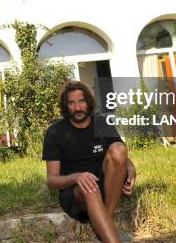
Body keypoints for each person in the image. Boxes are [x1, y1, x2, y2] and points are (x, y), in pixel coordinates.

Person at [42, 80, 136, 243]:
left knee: (119, 149)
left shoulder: (102, 123)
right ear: (66, 106)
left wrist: (131, 170)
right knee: (89, 187)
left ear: (88, 102)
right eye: (71, 103)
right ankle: (110, 234)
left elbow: (123, 156)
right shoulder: (55, 132)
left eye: (81, 101)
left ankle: (104, 225)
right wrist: (76, 177)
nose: (77, 108)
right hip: (76, 193)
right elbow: (52, 180)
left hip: (106, 187)